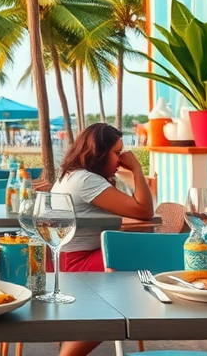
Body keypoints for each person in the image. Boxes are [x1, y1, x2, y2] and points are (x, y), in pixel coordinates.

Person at [50, 122, 153, 356]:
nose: (121, 158)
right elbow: (145, 211)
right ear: (99, 152)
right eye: (117, 152)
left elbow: (134, 210)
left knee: (139, 267)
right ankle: (70, 352)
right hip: (77, 263)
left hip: (65, 259)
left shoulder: (74, 176)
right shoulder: (87, 181)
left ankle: (73, 339)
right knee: (136, 283)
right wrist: (136, 169)